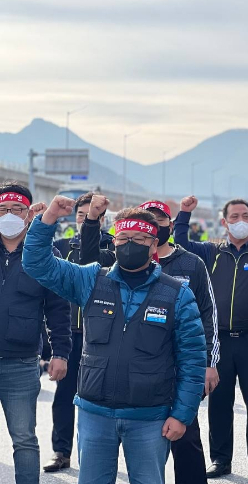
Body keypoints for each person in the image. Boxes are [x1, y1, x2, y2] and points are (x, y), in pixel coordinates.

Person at [23, 197, 206, 484]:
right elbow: (36, 263)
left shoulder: (177, 294)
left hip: (150, 417)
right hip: (94, 414)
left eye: (140, 238)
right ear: (115, 241)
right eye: (124, 237)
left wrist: (182, 415)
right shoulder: (92, 280)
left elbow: (193, 361)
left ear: (153, 243)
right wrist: (48, 219)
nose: (130, 243)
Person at [175, 195, 248, 480]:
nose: (240, 221)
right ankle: (220, 460)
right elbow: (181, 242)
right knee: (219, 402)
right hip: (219, 340)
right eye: (234, 217)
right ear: (224, 222)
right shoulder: (210, 253)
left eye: (245, 216)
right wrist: (184, 213)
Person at [134, 199, 220, 484]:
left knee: (186, 442)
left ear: (170, 226)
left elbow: (209, 315)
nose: (155, 226)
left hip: (183, 368)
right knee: (145, 449)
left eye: (161, 221)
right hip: (141, 369)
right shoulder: (129, 261)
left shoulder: (191, 264)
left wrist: (209, 363)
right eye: (149, 220)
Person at [0, 182, 71, 484]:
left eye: (17, 209)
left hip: (21, 362)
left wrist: (61, 353)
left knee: (24, 440)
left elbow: (58, 307)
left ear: (29, 213)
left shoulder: (44, 253)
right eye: (3, 209)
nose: (9, 215)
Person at [44, 192, 114, 474]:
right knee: (64, 395)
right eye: (81, 215)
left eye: (92, 215)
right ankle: (61, 451)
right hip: (71, 336)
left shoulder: (114, 249)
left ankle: (99, 457)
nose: (85, 219)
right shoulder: (61, 247)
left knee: (100, 399)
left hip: (102, 338)